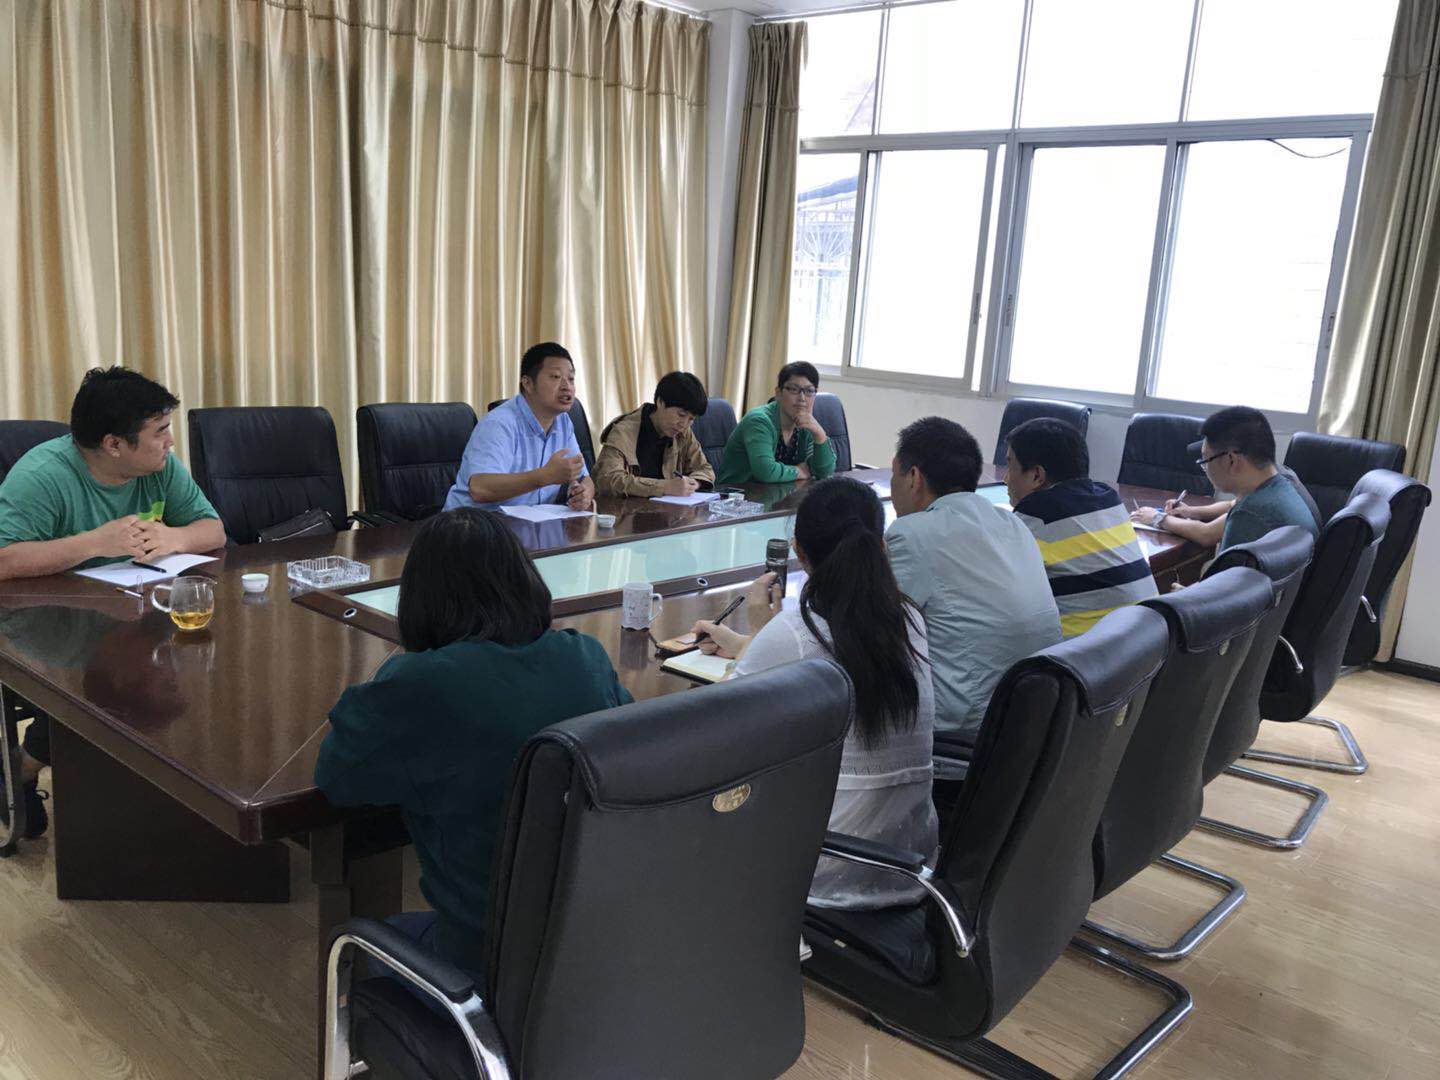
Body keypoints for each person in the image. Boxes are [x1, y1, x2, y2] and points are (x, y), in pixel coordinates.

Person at [315, 508, 632, 978]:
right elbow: (625, 751)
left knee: (356, 951)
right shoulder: (584, 656)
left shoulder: (421, 684)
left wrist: (382, 684)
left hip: (482, 964)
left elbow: (335, 777)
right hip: (597, 947)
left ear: (421, 599)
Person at [690, 477, 937, 909]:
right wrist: (747, 644)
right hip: (910, 862)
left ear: (799, 553)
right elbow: (837, 658)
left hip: (825, 874)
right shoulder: (908, 620)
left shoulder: (792, 632)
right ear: (880, 547)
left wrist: (760, 634)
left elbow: (714, 735)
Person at [0, 367, 225, 836]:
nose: (170, 442)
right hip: (48, 626)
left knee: (195, 666)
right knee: (120, 692)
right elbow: (4, 560)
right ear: (114, 444)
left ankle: (35, 771)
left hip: (131, 613)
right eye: (160, 432)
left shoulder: (159, 468)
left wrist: (173, 538)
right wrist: (93, 543)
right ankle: (25, 771)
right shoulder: (41, 476)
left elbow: (213, 530)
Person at [887, 417, 1060, 742]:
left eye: (894, 474)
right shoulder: (1012, 523)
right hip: (1030, 728)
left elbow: (872, 634)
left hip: (958, 739)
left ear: (913, 478)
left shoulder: (913, 533)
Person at [1005, 418, 1158, 638]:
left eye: (1010, 466)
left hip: (1088, 655)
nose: (1006, 479)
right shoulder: (1110, 500)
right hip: (1147, 644)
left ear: (1037, 475)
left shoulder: (1034, 517)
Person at [1132, 406, 1320, 552]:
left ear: (1231, 460)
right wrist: (1191, 511)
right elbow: (1233, 505)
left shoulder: (1249, 515)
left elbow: (1221, 588)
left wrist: (1158, 518)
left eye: (1205, 461)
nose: (1205, 468)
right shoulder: (1283, 480)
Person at [444, 342, 596, 512]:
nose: (566, 386)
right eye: (555, 377)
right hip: (472, 523)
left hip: (529, 522)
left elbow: (584, 477)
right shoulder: (499, 423)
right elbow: (479, 489)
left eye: (571, 379)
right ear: (528, 383)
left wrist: (584, 494)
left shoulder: (563, 422)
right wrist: (545, 476)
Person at [593, 371, 716, 497]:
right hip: (627, 508)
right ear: (660, 402)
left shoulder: (683, 433)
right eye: (681, 415)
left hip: (668, 508)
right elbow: (608, 479)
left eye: (691, 419)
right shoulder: (623, 431)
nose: (684, 424)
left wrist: (694, 483)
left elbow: (704, 468)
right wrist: (665, 487)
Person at [716, 361, 837, 486]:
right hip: (737, 493)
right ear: (778, 393)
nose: (802, 398)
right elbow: (765, 471)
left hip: (779, 492)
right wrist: (798, 471)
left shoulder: (807, 424)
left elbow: (824, 472)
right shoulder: (758, 421)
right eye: (794, 389)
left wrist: (819, 434)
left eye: (809, 391)